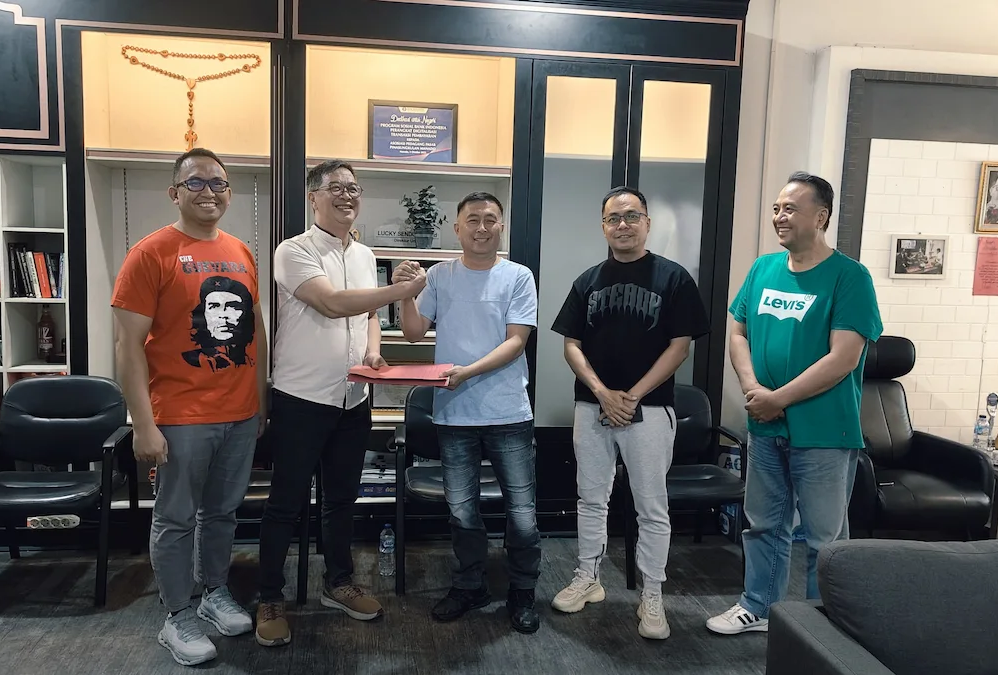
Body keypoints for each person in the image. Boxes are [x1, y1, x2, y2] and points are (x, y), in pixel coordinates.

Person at [255, 159, 427, 647]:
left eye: (354, 188)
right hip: (301, 397)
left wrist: (372, 350)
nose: (347, 195)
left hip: (354, 398)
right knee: (286, 503)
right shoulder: (293, 250)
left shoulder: (366, 254)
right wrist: (402, 289)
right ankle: (270, 596)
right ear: (314, 197)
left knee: (341, 499)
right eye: (336, 188)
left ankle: (339, 582)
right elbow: (332, 303)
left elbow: (368, 313)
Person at [706, 172, 882, 635]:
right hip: (766, 426)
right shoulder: (763, 269)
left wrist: (777, 398)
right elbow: (737, 332)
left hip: (823, 430)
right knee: (763, 525)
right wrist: (753, 389)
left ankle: (827, 626)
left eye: (790, 209)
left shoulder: (849, 277)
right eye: (776, 209)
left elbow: (844, 357)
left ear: (821, 217)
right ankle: (758, 606)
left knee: (825, 538)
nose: (779, 217)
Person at [111, 147, 267, 667]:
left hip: (239, 413)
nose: (208, 192)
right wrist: (143, 424)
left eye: (218, 183)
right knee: (176, 519)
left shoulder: (241, 251)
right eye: (195, 183)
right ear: (174, 192)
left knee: (222, 513)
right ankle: (177, 615)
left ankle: (213, 592)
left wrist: (260, 403)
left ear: (229, 192)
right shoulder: (150, 253)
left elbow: (256, 332)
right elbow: (127, 346)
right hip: (179, 416)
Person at [549, 186, 710, 640]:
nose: (622, 225)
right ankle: (588, 577)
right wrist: (603, 393)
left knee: (651, 506)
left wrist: (632, 396)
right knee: (590, 499)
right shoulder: (588, 281)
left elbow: (680, 347)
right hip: (592, 407)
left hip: (651, 409)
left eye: (631, 216)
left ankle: (652, 594)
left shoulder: (674, 279)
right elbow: (571, 344)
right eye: (613, 218)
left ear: (647, 223)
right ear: (603, 227)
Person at [395, 191, 542, 634]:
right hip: (455, 414)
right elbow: (413, 332)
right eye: (472, 219)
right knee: (461, 511)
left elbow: (516, 341)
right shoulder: (440, 276)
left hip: (508, 412)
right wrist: (406, 293)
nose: (482, 227)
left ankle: (523, 590)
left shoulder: (518, 276)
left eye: (490, 219)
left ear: (502, 227)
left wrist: (467, 372)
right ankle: (469, 585)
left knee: (522, 513)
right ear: (457, 228)